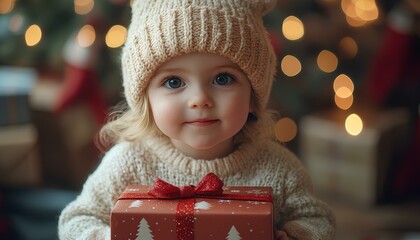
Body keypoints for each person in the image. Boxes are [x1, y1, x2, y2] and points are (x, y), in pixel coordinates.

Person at [58, 0, 335, 239]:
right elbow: (75, 220)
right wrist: (110, 236)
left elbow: (319, 221)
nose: (200, 99)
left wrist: (296, 235)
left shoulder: (278, 168)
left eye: (222, 78)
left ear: (253, 94)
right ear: (146, 100)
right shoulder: (127, 163)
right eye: (174, 81)